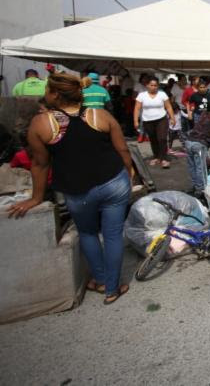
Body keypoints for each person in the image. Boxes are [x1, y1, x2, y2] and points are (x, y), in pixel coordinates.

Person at [7, 72, 134, 304]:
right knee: (113, 234)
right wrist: (130, 172)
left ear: (55, 94)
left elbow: (39, 163)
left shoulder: (42, 123)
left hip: (77, 190)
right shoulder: (99, 115)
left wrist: (36, 197)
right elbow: (123, 149)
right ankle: (112, 289)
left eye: (47, 90)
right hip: (114, 182)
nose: (45, 94)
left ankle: (101, 280)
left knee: (87, 232)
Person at [134, 76, 175, 169]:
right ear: (147, 85)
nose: (153, 87)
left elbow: (168, 106)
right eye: (151, 85)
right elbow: (137, 108)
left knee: (162, 139)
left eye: (155, 85)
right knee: (153, 139)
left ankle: (164, 158)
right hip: (147, 120)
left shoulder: (162, 94)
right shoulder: (141, 95)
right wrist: (136, 120)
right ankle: (157, 156)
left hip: (161, 119)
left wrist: (172, 118)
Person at [184, 98, 210, 197]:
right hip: (199, 144)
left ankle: (195, 185)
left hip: (188, 142)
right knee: (200, 167)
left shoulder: (203, 113)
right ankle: (201, 190)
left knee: (192, 166)